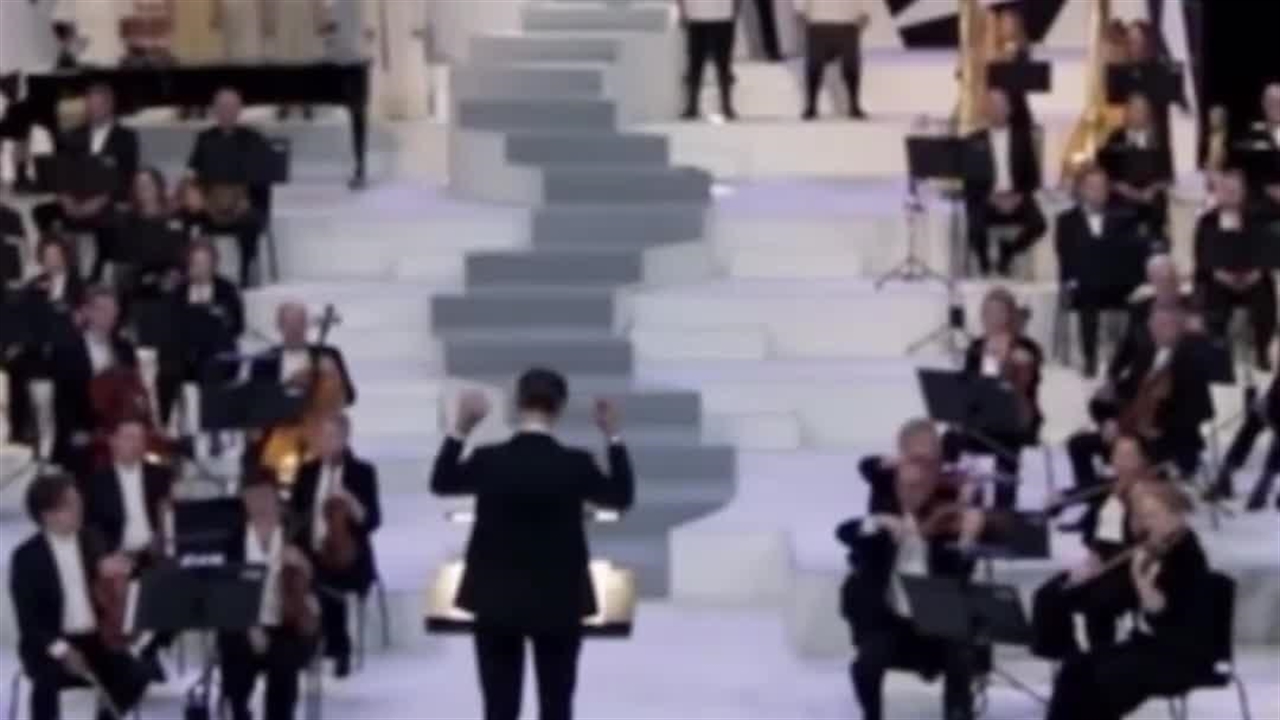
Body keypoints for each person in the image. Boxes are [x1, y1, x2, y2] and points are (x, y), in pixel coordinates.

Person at [430, 368, 635, 720]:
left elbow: (442, 482)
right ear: (560, 408)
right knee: (557, 707)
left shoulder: (489, 460)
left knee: (499, 709)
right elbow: (621, 495)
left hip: (495, 599)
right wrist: (613, 435)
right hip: (559, 601)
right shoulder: (575, 464)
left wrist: (462, 427)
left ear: (517, 403)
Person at [1045, 481, 1214, 720]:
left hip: (1181, 653)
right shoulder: (1157, 549)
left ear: (1178, 515)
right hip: (1153, 645)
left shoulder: (1187, 553)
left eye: (1154, 515)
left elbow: (1161, 611)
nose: (1147, 523)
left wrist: (1140, 579)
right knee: (1076, 667)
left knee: (1101, 680)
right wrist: (1087, 578)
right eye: (1144, 516)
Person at [836, 459, 985, 720]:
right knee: (867, 664)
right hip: (889, 621)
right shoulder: (883, 530)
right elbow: (845, 532)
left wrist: (966, 541)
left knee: (961, 653)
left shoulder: (946, 532)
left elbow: (961, 573)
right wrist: (877, 520)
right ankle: (872, 714)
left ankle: (957, 713)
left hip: (936, 619)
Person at [9, 473, 149, 720]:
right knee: (46, 683)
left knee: (135, 675)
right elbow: (30, 622)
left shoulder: (92, 539)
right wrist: (63, 651)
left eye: (79, 502)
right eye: (70, 505)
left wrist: (121, 571)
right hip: (50, 643)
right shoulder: (27, 557)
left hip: (94, 638)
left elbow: (116, 575)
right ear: (48, 515)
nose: (79, 510)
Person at [1069, 305, 1213, 495]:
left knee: (1131, 459)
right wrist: (1107, 414)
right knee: (1078, 444)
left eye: (1165, 325)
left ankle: (1121, 496)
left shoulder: (1190, 361)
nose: (1157, 330)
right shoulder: (1146, 357)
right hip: (1132, 434)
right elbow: (1125, 392)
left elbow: (1202, 410)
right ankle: (1090, 497)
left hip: (1168, 441)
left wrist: (1159, 427)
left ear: (1178, 328)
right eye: (1154, 325)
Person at [1033, 436, 1153, 658]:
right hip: (1100, 561)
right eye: (1118, 455)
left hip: (1131, 567)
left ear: (1143, 459)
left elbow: (1147, 541)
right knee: (1047, 595)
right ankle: (1069, 657)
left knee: (1097, 603)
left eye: (1129, 456)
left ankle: (1100, 658)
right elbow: (1077, 494)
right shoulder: (1106, 488)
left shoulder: (1151, 493)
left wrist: (1100, 566)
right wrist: (1058, 500)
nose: (1122, 462)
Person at [218, 471, 319, 720]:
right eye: (252, 498)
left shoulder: (297, 534)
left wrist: (304, 565)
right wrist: (250, 626)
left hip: (289, 623)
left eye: (265, 496)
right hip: (245, 623)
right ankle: (240, 711)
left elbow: (318, 582)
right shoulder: (234, 541)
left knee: (284, 662)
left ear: (276, 497)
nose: (260, 504)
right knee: (235, 653)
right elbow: (228, 591)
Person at [290, 412, 381, 678]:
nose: (324, 442)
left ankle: (338, 647)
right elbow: (295, 517)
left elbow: (373, 521)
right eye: (321, 437)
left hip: (350, 556)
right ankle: (301, 646)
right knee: (294, 575)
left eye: (331, 436)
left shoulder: (362, 472)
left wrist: (354, 505)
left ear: (344, 438)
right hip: (311, 550)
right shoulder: (306, 472)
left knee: (326, 580)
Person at [942, 287, 1044, 509]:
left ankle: (1004, 506)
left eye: (999, 312)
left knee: (1005, 440)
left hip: (1017, 417)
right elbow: (968, 383)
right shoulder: (977, 347)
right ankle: (958, 501)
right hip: (982, 416)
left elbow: (1030, 379)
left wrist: (1015, 362)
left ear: (1010, 315)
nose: (992, 318)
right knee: (950, 439)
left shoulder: (1027, 347)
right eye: (987, 312)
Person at [32, 84, 139, 282]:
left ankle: (97, 276)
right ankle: (58, 268)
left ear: (110, 105)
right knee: (43, 212)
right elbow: (60, 171)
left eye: (97, 105)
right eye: (89, 106)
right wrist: (66, 199)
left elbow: (126, 176)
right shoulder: (72, 135)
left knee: (116, 222)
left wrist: (97, 202)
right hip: (75, 199)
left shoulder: (126, 137)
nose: (92, 110)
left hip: (106, 201)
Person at [1055, 166, 1145, 377]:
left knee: (1142, 300)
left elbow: (1131, 253)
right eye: (1092, 187)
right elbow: (1066, 255)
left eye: (1102, 187)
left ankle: (1128, 360)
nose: (1098, 192)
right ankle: (1090, 358)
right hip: (1083, 285)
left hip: (1117, 283)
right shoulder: (1066, 221)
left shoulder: (1123, 218)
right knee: (1088, 294)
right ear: (1080, 189)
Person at [184, 87, 271, 285]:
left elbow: (264, 177)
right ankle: (187, 269)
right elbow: (191, 172)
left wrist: (247, 201)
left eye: (231, 107)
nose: (226, 112)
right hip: (210, 204)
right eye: (221, 107)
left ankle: (246, 272)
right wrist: (192, 192)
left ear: (239, 110)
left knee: (250, 219)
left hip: (244, 203)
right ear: (214, 110)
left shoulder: (254, 139)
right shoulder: (204, 138)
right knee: (182, 215)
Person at [50, 288, 138, 480]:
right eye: (102, 309)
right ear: (88, 312)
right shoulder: (67, 350)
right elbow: (62, 401)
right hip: (80, 429)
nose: (109, 316)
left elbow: (133, 392)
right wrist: (76, 433)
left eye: (113, 310)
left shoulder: (125, 349)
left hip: (116, 431)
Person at [1193, 168, 1275, 371]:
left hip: (1253, 277)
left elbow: (1267, 250)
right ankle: (1218, 356)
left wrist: (1256, 273)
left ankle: (1262, 352)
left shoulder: (1258, 217)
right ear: (1218, 192)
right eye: (1226, 190)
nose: (1231, 195)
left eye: (1235, 190)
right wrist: (1220, 274)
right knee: (1213, 298)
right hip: (1219, 278)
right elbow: (1202, 256)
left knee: (1265, 295)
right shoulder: (1207, 221)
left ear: (1244, 192)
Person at [962, 88, 1046, 276]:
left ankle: (1009, 251)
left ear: (1009, 109)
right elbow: (969, 181)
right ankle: (984, 261)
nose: (996, 110)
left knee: (1039, 224)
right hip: (986, 198)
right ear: (985, 109)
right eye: (992, 105)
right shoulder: (973, 140)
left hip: (1016, 197)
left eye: (1001, 105)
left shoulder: (1023, 139)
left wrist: (1018, 196)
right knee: (974, 224)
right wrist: (990, 197)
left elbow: (1033, 177)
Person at [162, 240, 244, 423]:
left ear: (214, 265)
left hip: (218, 351)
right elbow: (170, 324)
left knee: (211, 368)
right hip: (185, 351)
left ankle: (210, 419)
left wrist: (220, 319)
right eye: (196, 263)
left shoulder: (226, 289)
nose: (200, 268)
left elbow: (238, 326)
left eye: (205, 263)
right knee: (168, 368)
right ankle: (173, 422)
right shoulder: (180, 291)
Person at [81, 418, 173, 561]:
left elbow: (170, 513)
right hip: (116, 556)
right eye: (130, 438)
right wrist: (106, 555)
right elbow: (90, 526)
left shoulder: (161, 475)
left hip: (157, 554)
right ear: (113, 441)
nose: (137, 444)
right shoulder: (96, 482)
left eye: (141, 438)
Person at [250, 301, 356, 406]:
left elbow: (349, 396)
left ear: (307, 325)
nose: (296, 330)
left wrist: (323, 381)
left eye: (300, 324)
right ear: (280, 326)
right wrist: (289, 384)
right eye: (290, 325)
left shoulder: (328, 354)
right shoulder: (264, 360)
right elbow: (256, 400)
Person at [1100, 93, 1174, 239]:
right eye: (1131, 109)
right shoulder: (1115, 137)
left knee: (1154, 217)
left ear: (1149, 114)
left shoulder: (1159, 140)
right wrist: (1124, 189)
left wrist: (1152, 190)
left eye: (1140, 110)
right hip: (1122, 198)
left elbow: (1168, 175)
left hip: (1152, 200)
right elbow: (1104, 173)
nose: (1135, 114)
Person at [114, 167, 188, 303]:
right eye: (138, 185)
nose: (143, 189)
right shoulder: (126, 221)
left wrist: (174, 274)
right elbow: (123, 257)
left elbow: (181, 254)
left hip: (168, 279)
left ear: (158, 187)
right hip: (137, 281)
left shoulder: (175, 219)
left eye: (148, 184)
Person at [1213, 369, 1280, 510]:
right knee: (1276, 451)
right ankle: (1259, 495)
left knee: (1246, 435)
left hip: (1267, 404)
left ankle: (1223, 478)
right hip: (1271, 404)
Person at [797, 0, 868, 121]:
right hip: (818, 26)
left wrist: (858, 27)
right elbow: (800, 10)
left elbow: (865, 10)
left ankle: (854, 106)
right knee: (814, 66)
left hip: (847, 26)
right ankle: (811, 106)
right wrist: (806, 27)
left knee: (851, 65)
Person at [858, 417, 944, 515]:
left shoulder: (940, 476)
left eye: (926, 441)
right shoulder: (887, 471)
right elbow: (866, 465)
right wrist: (884, 464)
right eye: (918, 441)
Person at [264, 0, 332, 119]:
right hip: (285, 26)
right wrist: (269, 24)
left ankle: (305, 101)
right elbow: (271, 5)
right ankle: (285, 102)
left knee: (303, 67)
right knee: (285, 67)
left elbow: (317, 4)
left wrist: (321, 21)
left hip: (303, 26)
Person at [677, 0, 737, 121]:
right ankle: (694, 106)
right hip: (699, 14)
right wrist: (682, 11)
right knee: (697, 62)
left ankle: (724, 105)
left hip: (720, 14)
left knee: (720, 62)